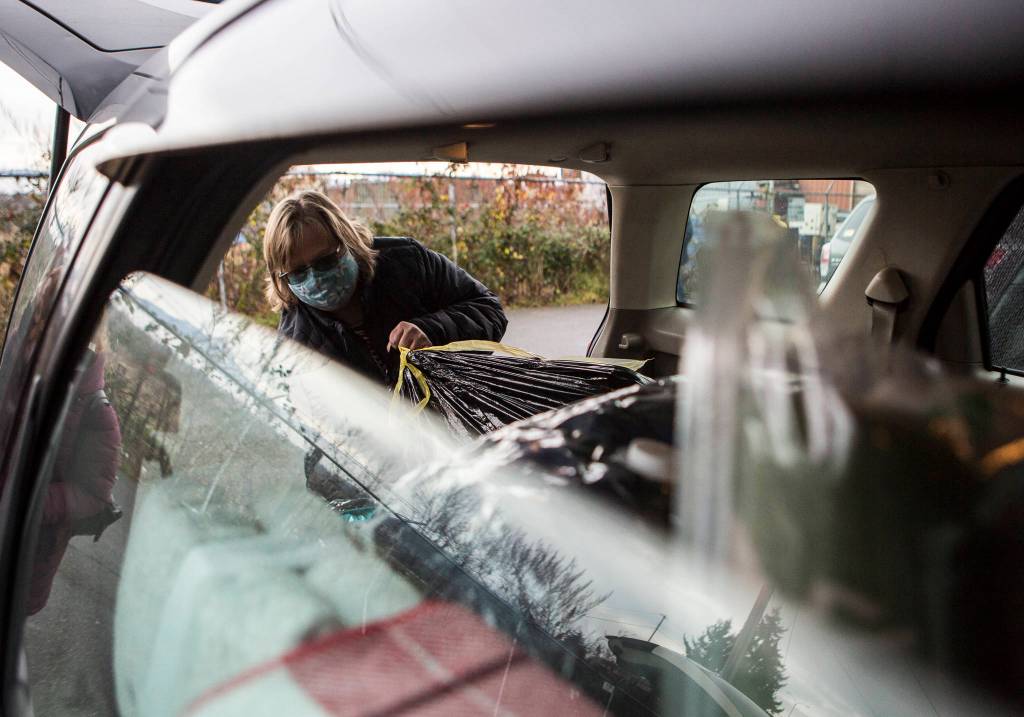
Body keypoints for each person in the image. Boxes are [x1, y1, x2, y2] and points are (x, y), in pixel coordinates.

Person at [263, 190, 507, 383]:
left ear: (347, 240)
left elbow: (489, 311)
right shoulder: (294, 343)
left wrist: (434, 331)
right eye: (298, 272)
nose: (315, 279)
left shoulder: (408, 262)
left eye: (326, 260)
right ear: (280, 278)